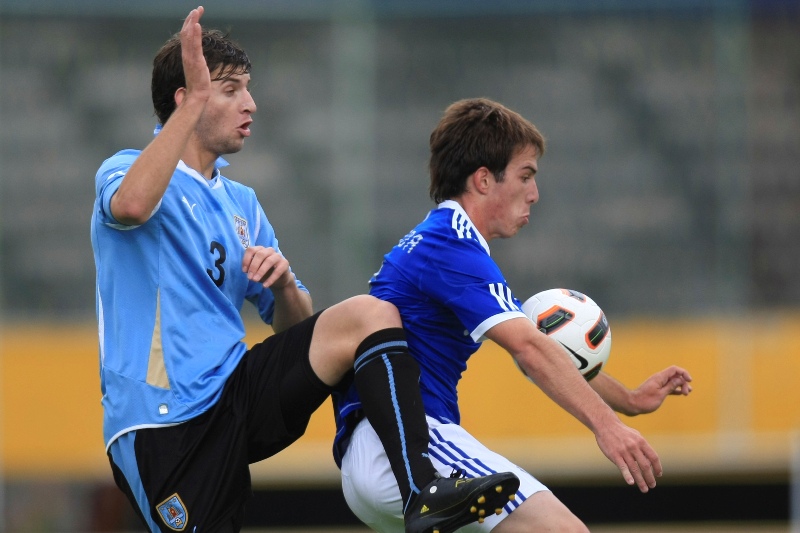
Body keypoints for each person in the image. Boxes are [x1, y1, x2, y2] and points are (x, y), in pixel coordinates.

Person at [90, 10, 518, 533]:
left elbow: (296, 329)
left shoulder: (242, 203)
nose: (250, 104)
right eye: (229, 90)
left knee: (367, 316)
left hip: (235, 394)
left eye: (247, 88)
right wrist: (197, 100)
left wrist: (284, 282)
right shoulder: (124, 167)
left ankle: (420, 488)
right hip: (164, 421)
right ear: (186, 98)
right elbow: (132, 205)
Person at [334, 98, 693, 532]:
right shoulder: (451, 246)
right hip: (411, 449)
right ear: (484, 180)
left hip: (378, 455)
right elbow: (529, 348)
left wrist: (629, 401)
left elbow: (546, 345)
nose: (534, 194)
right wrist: (608, 427)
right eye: (526, 176)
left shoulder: (442, 242)